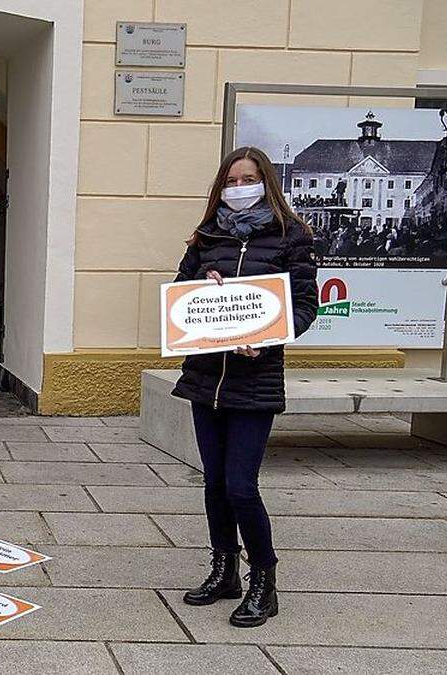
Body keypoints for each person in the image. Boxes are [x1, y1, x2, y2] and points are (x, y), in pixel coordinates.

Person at [171, 146, 318, 628]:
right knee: (213, 483)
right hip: (205, 377)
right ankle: (224, 568)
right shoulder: (206, 235)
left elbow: (302, 306)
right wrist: (201, 285)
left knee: (241, 486)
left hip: (255, 381)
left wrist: (268, 338)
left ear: (266, 182)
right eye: (231, 181)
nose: (239, 188)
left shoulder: (290, 236)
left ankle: (264, 580)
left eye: (248, 179)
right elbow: (180, 294)